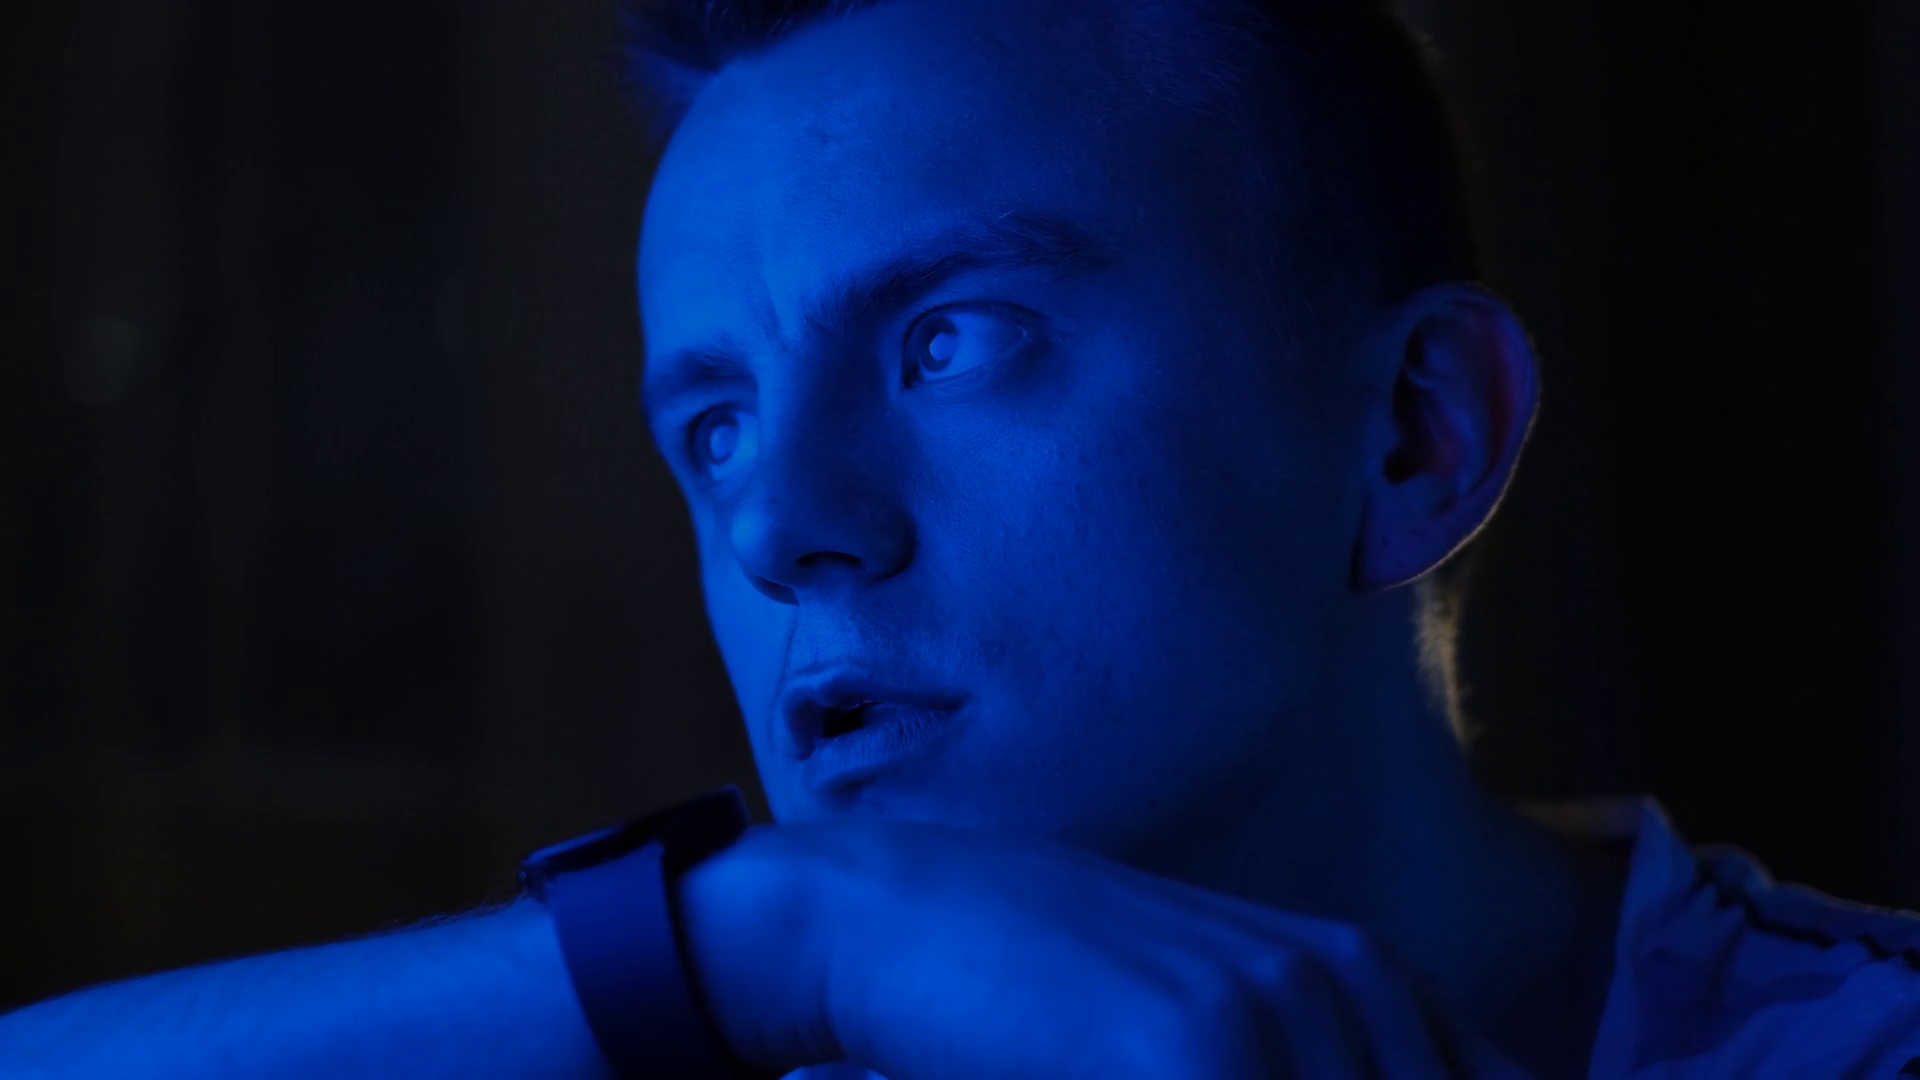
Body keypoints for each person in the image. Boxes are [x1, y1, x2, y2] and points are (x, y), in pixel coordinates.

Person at [6, 0, 1920, 1076]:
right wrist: (771, 928)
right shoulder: (728, 1014)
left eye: (952, 341)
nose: (781, 526)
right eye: (714, 424)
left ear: (1419, 436)